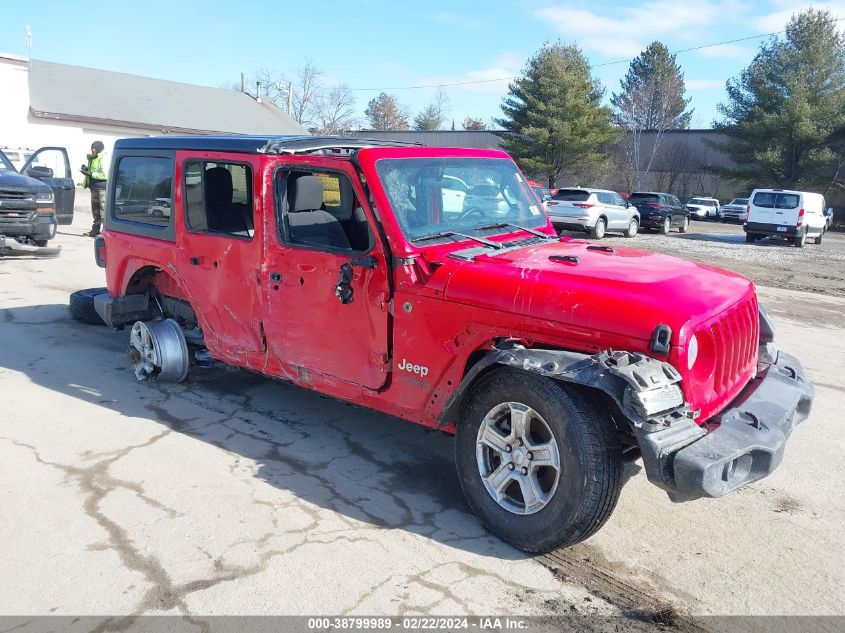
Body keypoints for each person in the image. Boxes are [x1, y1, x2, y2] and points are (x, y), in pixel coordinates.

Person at [81, 141, 108, 237]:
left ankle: (105, 232)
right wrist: (86, 170)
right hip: (94, 187)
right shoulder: (92, 158)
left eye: (94, 148)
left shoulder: (103, 159)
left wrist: (91, 174)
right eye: (92, 147)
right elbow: (92, 171)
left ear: (98, 149)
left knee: (103, 210)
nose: (92, 150)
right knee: (95, 210)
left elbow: (105, 174)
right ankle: (95, 230)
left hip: (102, 188)